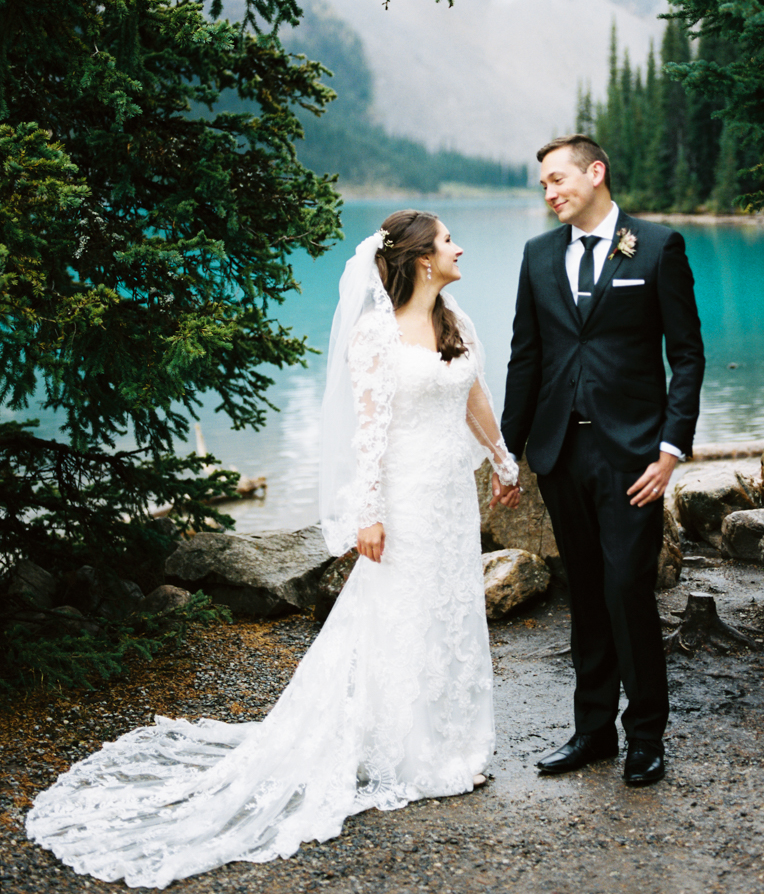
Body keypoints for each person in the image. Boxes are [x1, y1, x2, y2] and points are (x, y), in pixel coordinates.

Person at [26, 210, 520, 888]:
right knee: (398, 613)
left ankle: (451, 741)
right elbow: (368, 433)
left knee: (448, 609)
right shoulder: (376, 332)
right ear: (420, 258)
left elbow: (474, 395)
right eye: (446, 240)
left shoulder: (455, 322)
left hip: (448, 495)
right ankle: (411, 752)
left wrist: (500, 458)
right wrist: (369, 513)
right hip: (403, 498)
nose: (459, 246)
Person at [497, 135, 704, 786]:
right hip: (560, 451)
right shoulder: (536, 257)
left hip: (633, 455)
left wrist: (671, 448)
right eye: (543, 185)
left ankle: (645, 734)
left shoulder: (658, 247)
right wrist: (509, 453)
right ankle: (591, 734)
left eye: (558, 179)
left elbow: (688, 356)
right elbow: (525, 358)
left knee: (626, 590)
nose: (550, 192)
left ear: (595, 172)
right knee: (583, 594)